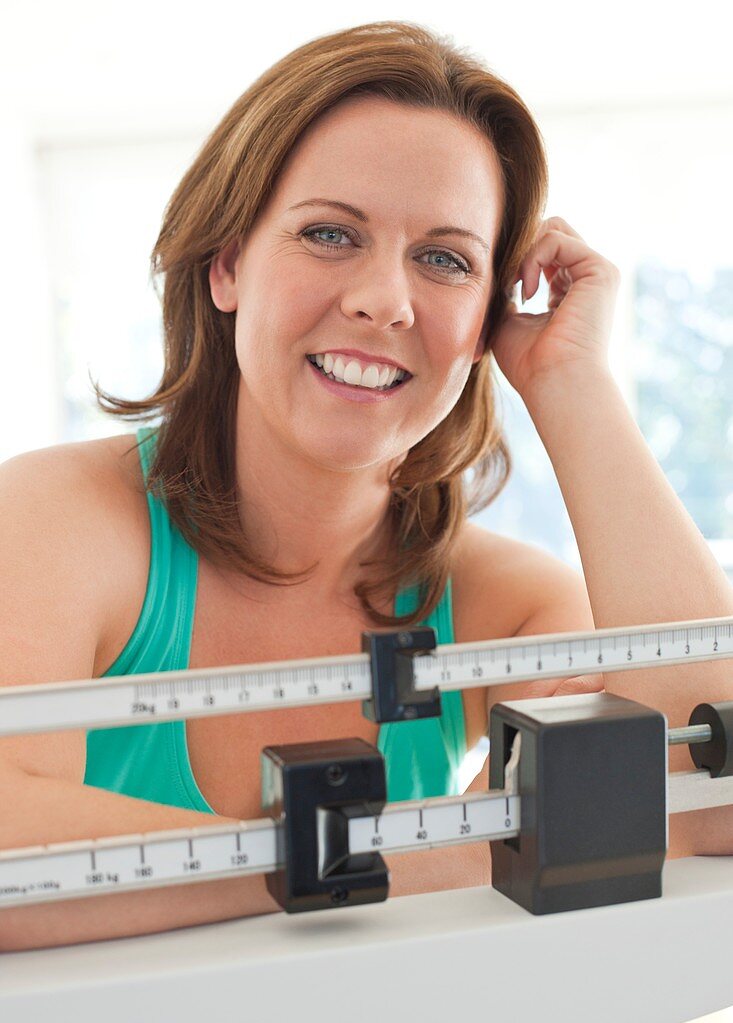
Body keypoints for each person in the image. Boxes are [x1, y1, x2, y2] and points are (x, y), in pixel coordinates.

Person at [1, 22, 731, 952]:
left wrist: (571, 384)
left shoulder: (504, 600)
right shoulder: (61, 520)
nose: (384, 300)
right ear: (227, 264)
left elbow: (712, 795)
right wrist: (428, 858)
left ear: (483, 320)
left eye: (445, 259)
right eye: (329, 234)